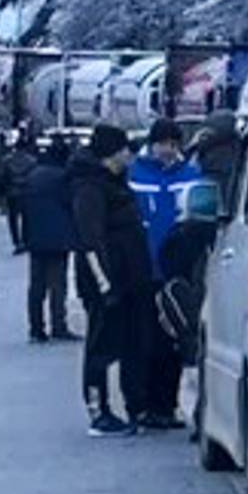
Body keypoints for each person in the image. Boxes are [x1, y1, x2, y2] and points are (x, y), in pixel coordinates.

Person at [68, 123, 153, 437]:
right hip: (107, 283)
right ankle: (98, 410)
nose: (129, 155)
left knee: (133, 342)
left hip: (131, 279)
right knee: (101, 347)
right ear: (110, 153)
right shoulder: (89, 187)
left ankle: (136, 406)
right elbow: (91, 239)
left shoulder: (115, 182)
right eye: (124, 150)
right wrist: (105, 285)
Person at [129, 118, 201, 429]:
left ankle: (168, 405)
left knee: (174, 341)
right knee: (146, 341)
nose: (168, 151)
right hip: (144, 269)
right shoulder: (136, 174)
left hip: (178, 271)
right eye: (163, 144)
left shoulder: (190, 175)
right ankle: (145, 405)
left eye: (173, 145)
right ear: (152, 143)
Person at [21, 139, 78, 343]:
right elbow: (72, 204)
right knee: (57, 285)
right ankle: (58, 326)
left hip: (35, 237)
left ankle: (36, 328)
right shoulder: (63, 178)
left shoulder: (33, 175)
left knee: (36, 285)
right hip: (59, 239)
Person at [0, 132, 37, 254]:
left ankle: (17, 241)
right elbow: (35, 177)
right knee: (27, 218)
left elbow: (2, 177)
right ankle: (26, 240)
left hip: (12, 193)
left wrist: (0, 191)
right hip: (26, 192)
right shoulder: (32, 161)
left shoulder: (7, 161)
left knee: (13, 219)